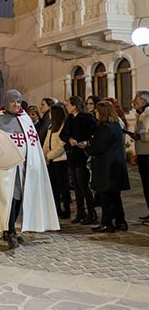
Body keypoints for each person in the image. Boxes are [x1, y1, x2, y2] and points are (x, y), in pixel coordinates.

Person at [0, 89, 60, 249]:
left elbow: (32, 143)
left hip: (23, 166)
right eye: (13, 101)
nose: (16, 104)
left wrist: (34, 163)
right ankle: (11, 231)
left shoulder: (25, 119)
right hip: (2, 169)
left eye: (19, 101)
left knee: (19, 197)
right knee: (7, 199)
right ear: (6, 102)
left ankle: (10, 228)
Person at [80, 101, 129, 233]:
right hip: (115, 167)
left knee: (105, 197)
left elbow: (98, 147)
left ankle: (107, 223)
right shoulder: (115, 126)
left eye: (96, 111)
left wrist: (87, 147)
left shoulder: (104, 128)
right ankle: (120, 221)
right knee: (115, 197)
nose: (95, 113)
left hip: (106, 168)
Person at [60, 96, 98, 225]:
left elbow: (96, 132)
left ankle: (91, 212)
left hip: (82, 155)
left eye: (68, 105)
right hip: (72, 155)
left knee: (83, 184)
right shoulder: (70, 119)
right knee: (76, 185)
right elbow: (62, 134)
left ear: (74, 106)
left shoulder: (86, 118)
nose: (67, 107)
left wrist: (87, 142)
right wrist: (69, 139)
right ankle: (81, 212)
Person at [42, 103, 71, 219]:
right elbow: (46, 143)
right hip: (51, 161)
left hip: (61, 160)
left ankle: (66, 209)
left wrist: (50, 155)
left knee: (63, 186)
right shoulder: (51, 127)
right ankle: (56, 208)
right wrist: (44, 155)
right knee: (54, 186)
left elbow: (61, 145)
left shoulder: (63, 126)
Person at [132, 90, 149, 223]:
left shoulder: (147, 114)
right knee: (145, 185)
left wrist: (140, 136)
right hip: (142, 153)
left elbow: (146, 134)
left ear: (144, 101)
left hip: (147, 153)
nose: (133, 103)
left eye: (136, 100)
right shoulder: (141, 114)